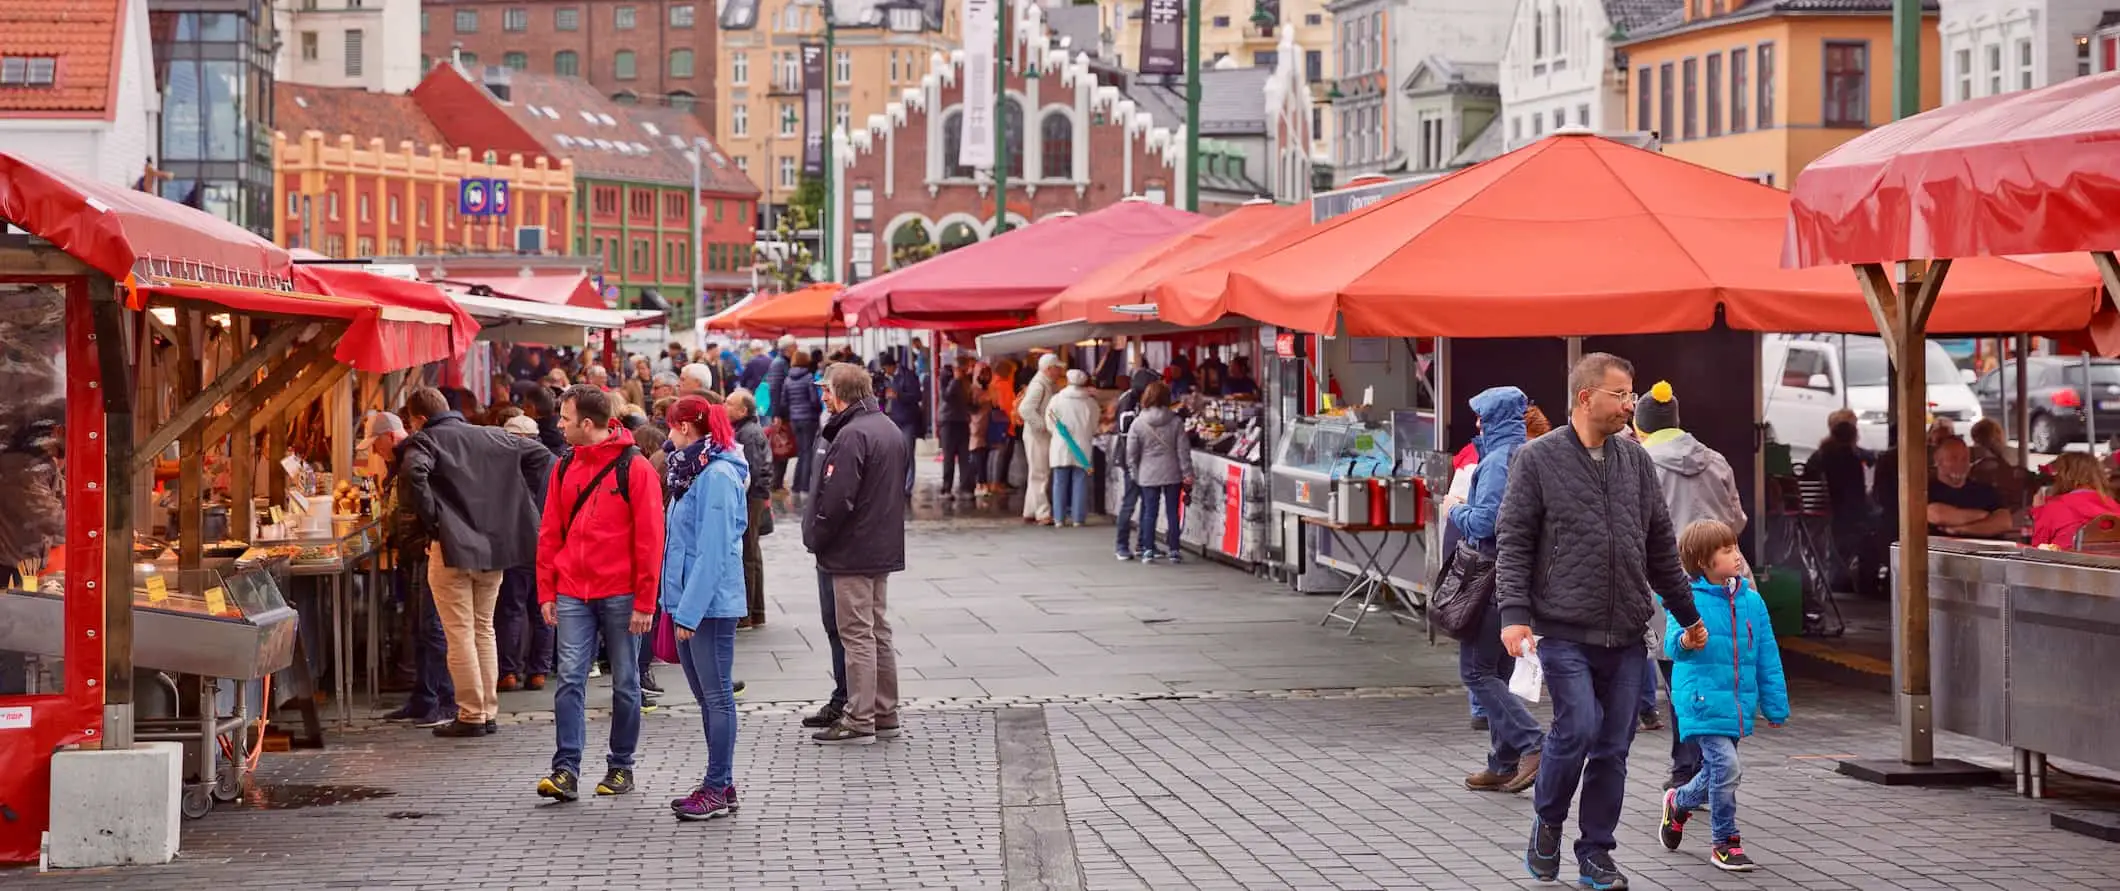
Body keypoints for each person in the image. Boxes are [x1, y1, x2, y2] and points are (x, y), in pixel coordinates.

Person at [1494, 352, 1707, 890]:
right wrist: (1514, 615)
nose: (1629, 404)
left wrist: (1688, 616)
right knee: (1579, 728)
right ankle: (1548, 820)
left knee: (1613, 749)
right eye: (1620, 394)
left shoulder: (1636, 461)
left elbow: (1660, 545)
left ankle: (1596, 854)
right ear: (1586, 397)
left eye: (1632, 395)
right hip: (1563, 630)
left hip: (1628, 632)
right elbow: (1514, 542)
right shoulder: (1537, 459)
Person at [398, 388, 555, 739]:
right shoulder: (492, 436)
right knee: (483, 627)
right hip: (492, 545)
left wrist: (434, 521)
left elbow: (412, 474)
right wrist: (514, 503)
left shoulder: (424, 442)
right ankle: (487, 710)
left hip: (451, 547)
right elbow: (544, 457)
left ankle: (471, 713)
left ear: (419, 418)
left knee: (461, 631)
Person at [533, 385, 665, 801]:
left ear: (587, 424)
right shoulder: (563, 466)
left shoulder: (636, 468)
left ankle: (620, 765)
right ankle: (565, 770)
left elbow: (650, 538)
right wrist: (547, 590)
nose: (559, 424)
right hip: (573, 588)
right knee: (570, 679)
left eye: (565, 418)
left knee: (626, 682)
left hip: (622, 592)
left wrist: (646, 601)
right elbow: (550, 530)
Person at [1657, 519, 1790, 874]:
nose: (1736, 555)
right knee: (1727, 767)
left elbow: (1767, 655)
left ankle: (1679, 802)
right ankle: (1725, 842)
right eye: (1726, 550)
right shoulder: (1686, 600)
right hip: (1700, 702)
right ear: (1703, 561)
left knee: (1719, 771)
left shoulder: (1752, 602)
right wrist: (1686, 641)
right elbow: (1671, 645)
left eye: (1735, 547)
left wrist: (1775, 706)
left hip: (1736, 704)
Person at [1633, 380, 1747, 784]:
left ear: (1641, 426)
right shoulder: (1715, 460)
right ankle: (1709, 764)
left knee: (1681, 678)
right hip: (1725, 582)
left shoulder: (1638, 462)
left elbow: (1636, 529)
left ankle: (1690, 769)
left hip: (1670, 585)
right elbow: (1735, 521)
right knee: (1715, 676)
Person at [1439, 387, 1546, 796]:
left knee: (1476, 671)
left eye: (1482, 416)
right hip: (1520, 575)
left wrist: (1454, 508)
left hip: (1491, 575)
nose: (1477, 424)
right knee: (1499, 668)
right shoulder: (1530, 454)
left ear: (1495, 419)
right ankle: (1502, 763)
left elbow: (1485, 523)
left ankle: (1532, 743)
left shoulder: (1500, 460)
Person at [803, 364, 910, 745]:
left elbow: (837, 499)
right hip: (879, 544)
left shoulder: (852, 434)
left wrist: (816, 535)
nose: (823, 398)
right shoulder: (886, 428)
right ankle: (884, 712)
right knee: (877, 630)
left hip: (852, 548)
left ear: (841, 392)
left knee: (857, 634)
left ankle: (860, 716)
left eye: (826, 391)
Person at [659, 397, 750, 821]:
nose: (668, 435)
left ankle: (717, 785)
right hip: (694, 602)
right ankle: (721, 782)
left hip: (709, 606)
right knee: (708, 698)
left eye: (671, 427)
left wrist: (689, 612)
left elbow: (713, 552)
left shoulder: (715, 476)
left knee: (716, 698)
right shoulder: (692, 472)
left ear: (686, 428)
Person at [373, 412, 459, 728]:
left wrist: (432, 531)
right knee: (421, 630)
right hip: (414, 552)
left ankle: (446, 700)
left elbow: (424, 497)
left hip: (426, 551)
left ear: (389, 436)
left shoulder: (414, 457)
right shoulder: (402, 461)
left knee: (433, 629)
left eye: (376, 443)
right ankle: (425, 698)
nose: (375, 451)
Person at [495, 414, 554, 694]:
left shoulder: (503, 464)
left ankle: (508, 671)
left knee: (511, 609)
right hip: (547, 543)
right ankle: (538, 672)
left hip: (515, 544)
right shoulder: (553, 464)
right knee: (542, 609)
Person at [1126, 382, 1188, 562]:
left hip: (1148, 472)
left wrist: (1134, 471)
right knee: (1172, 512)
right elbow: (1183, 451)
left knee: (1149, 512)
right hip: (1172, 471)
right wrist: (1187, 473)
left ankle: (1147, 549)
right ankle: (1174, 550)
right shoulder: (1176, 422)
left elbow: (1131, 452)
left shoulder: (1138, 423)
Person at [728, 389, 773, 627]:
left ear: (743, 410)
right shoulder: (746, 430)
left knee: (748, 553)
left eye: (729, 404)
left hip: (750, 497)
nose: (725, 407)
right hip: (754, 495)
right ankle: (754, 611)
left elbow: (752, 471)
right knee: (751, 552)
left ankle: (748, 612)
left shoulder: (748, 433)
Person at [1111, 368, 1159, 560]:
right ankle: (1121, 545)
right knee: (1130, 502)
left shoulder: (1143, 401)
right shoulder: (1128, 402)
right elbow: (1126, 433)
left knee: (1148, 503)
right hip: (1132, 460)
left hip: (1147, 459)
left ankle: (1144, 543)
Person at [1045, 369, 1101, 528]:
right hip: (1082, 446)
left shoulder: (1056, 400)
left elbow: (1050, 423)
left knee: (1059, 482)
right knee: (1081, 481)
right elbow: (1094, 426)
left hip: (1061, 445)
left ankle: (1059, 519)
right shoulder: (1090, 403)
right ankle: (1078, 518)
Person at [2031, 452, 2120, 548]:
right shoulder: (2114, 505)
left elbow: (2038, 548)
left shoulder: (2055, 508)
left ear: (2062, 476)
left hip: (2065, 561)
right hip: (2111, 561)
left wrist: (2039, 511)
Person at [1929, 437, 2013, 538]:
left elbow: (2004, 522)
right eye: (1953, 458)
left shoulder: (1985, 491)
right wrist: (1983, 516)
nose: (1960, 464)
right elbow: (1937, 515)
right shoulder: (1927, 490)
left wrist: (1962, 530)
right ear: (1938, 460)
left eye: (1964, 459)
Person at [1017, 354, 1063, 525]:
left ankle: (1030, 510)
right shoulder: (1040, 385)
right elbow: (1025, 409)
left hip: (1036, 434)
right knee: (1041, 474)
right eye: (1057, 368)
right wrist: (1043, 426)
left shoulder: (1043, 383)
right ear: (1049, 369)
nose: (1060, 371)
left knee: (1036, 472)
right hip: (1037, 435)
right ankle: (1043, 513)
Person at [880, 352, 926, 496]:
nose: (885, 371)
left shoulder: (908, 375)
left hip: (907, 420)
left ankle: (907, 486)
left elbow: (917, 396)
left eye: (885, 368)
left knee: (907, 453)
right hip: (892, 420)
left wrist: (898, 395)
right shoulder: (885, 379)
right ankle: (897, 484)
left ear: (890, 366)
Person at [782, 352, 824, 495]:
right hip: (809, 419)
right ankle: (805, 487)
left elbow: (784, 401)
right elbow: (814, 400)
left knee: (801, 452)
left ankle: (796, 486)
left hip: (795, 419)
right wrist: (818, 409)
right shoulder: (808, 378)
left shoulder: (788, 379)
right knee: (808, 452)